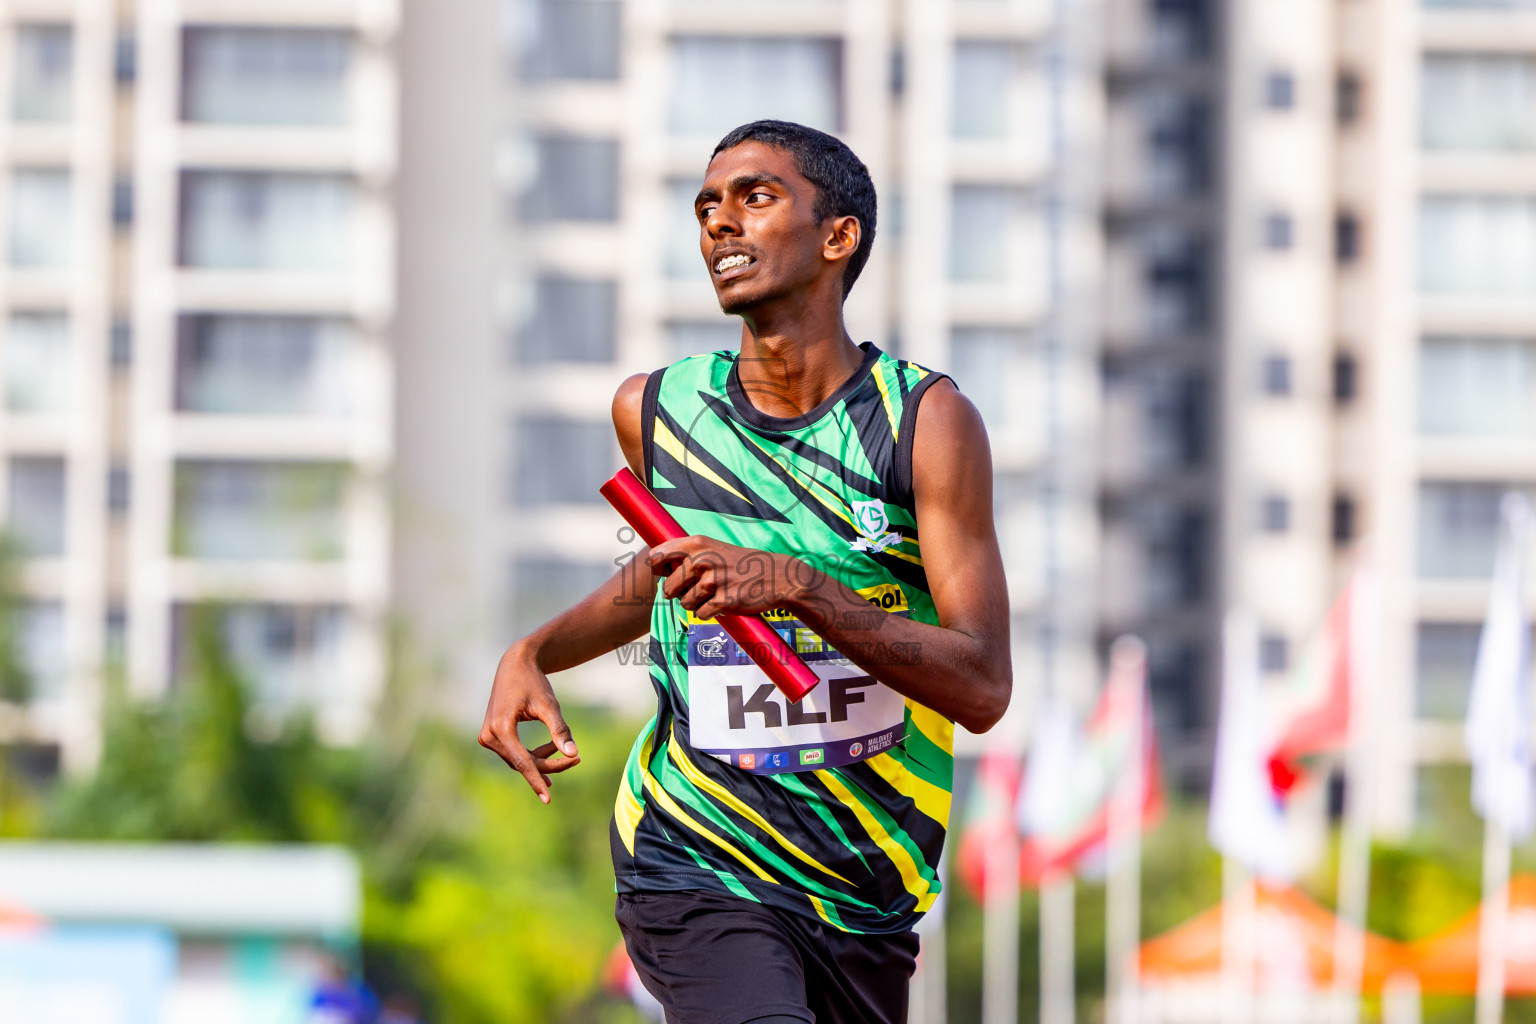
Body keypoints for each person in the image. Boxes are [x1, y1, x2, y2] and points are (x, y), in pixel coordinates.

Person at [480, 119, 1011, 1024]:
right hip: (693, 852)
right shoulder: (656, 409)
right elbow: (666, 578)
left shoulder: (926, 423)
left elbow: (982, 685)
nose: (718, 223)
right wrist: (534, 650)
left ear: (837, 237)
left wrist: (802, 588)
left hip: (865, 884)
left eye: (754, 197)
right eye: (705, 208)